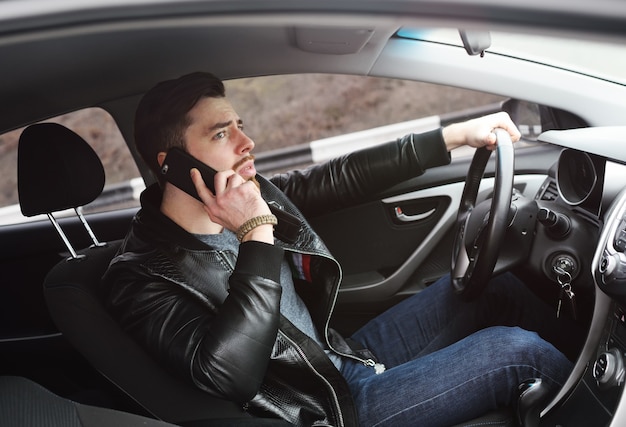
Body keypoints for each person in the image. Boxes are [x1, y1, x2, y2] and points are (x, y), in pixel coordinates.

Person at [102, 71, 576, 427]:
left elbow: (336, 178)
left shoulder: (252, 193)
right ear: (172, 163)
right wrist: (256, 233)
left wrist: (456, 136)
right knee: (518, 353)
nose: (248, 143)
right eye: (222, 134)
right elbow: (229, 374)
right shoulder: (142, 276)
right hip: (329, 409)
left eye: (239, 125)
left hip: (343, 358)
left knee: (499, 286)